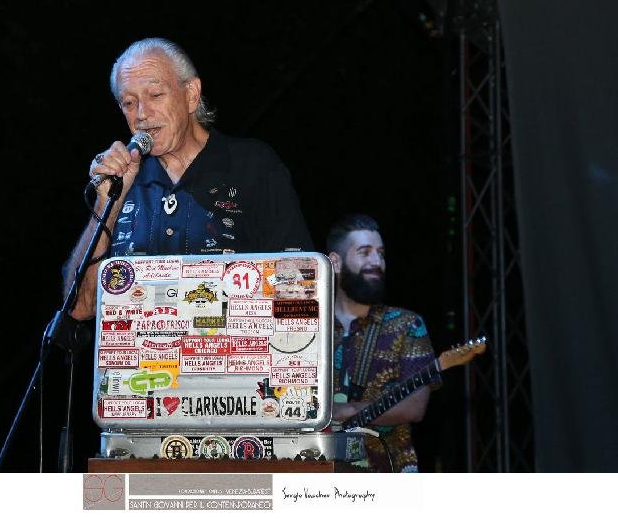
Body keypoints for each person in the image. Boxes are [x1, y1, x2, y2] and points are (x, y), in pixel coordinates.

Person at [64, 37, 313, 320]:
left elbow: (299, 288)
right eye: (129, 103)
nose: (142, 114)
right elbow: (80, 308)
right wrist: (107, 202)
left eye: (155, 95)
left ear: (191, 94)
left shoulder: (252, 165)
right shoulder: (122, 181)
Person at [327, 213, 437, 473]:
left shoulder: (406, 324)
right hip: (315, 474)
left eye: (381, 254)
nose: (377, 262)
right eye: (365, 252)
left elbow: (415, 406)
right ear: (336, 262)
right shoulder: (310, 326)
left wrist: (349, 409)